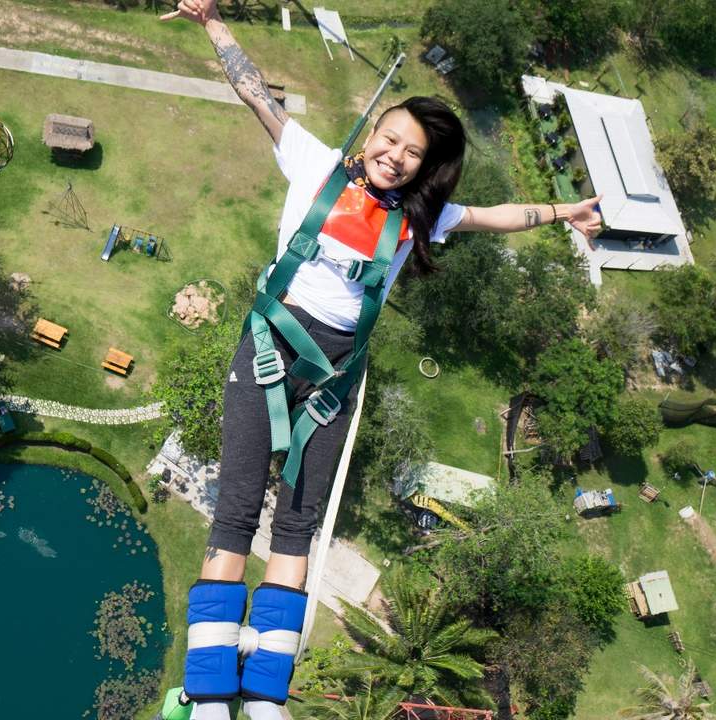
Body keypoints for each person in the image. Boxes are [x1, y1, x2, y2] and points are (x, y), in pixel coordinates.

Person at [161, 2, 603, 718]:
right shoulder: (311, 162)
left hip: (335, 373)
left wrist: (564, 212)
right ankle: (211, 691)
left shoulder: (420, 219)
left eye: (411, 154)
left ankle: (263, 695)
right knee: (236, 510)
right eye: (389, 139)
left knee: (297, 524)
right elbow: (252, 92)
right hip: (271, 346)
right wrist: (213, 22)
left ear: (424, 169)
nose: (394, 156)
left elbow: (498, 216)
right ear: (371, 134)